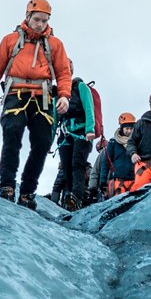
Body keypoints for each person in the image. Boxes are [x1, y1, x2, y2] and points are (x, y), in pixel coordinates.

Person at [0, 0, 72, 210]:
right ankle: (7, 185)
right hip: (16, 93)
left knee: (42, 142)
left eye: (44, 20)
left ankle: (28, 191)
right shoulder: (10, 40)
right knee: (12, 132)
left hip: (44, 97)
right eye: (37, 19)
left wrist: (65, 96)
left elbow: (64, 73)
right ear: (27, 16)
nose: (40, 24)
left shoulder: (56, 45)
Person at [48, 66, 98, 211]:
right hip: (65, 134)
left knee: (77, 164)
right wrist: (49, 142)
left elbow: (89, 108)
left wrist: (90, 130)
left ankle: (77, 197)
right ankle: (69, 197)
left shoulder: (81, 87)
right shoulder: (58, 94)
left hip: (82, 132)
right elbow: (54, 120)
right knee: (66, 166)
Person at [94, 112, 138, 198]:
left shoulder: (137, 142)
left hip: (135, 180)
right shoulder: (113, 143)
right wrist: (103, 182)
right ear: (122, 128)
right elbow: (106, 163)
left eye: (131, 128)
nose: (129, 131)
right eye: (126, 128)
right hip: (118, 182)